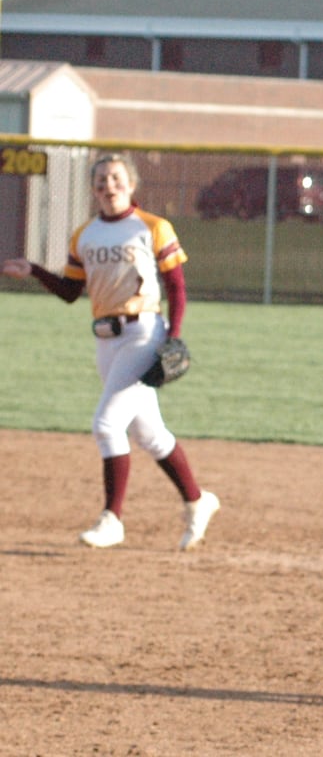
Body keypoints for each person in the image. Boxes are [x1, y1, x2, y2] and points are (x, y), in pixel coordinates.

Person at [2, 153, 220, 551]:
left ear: (131, 184)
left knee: (106, 424)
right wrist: (33, 269)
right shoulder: (84, 235)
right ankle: (197, 500)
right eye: (101, 179)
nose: (109, 185)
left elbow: (176, 287)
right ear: (93, 187)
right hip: (106, 340)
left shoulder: (153, 227)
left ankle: (112, 519)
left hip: (144, 333)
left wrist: (175, 334)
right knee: (149, 434)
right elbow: (71, 292)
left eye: (116, 178)